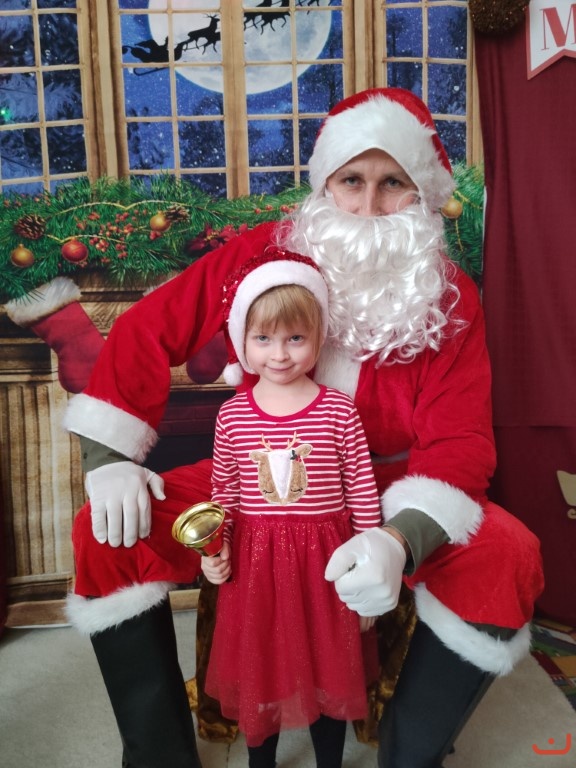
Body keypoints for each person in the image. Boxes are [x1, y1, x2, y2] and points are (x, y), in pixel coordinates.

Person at [64, 87, 544, 768]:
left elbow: (460, 441)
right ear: (325, 184)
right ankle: (158, 757)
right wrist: (109, 456)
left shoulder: (448, 297)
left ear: (423, 193)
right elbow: (147, 328)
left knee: (508, 554)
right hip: (254, 481)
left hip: (390, 489)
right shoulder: (264, 254)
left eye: (393, 183)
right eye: (352, 180)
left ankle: (410, 755)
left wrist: (399, 540)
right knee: (107, 530)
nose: (369, 206)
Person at [200, 250, 384, 767]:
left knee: (330, 665)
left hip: (325, 563)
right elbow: (223, 494)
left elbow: (362, 491)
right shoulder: (232, 415)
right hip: (257, 566)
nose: (279, 354)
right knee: (261, 665)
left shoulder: (338, 410)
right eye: (263, 338)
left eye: (295, 338)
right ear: (242, 342)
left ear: (318, 339)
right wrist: (215, 549)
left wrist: (369, 567)